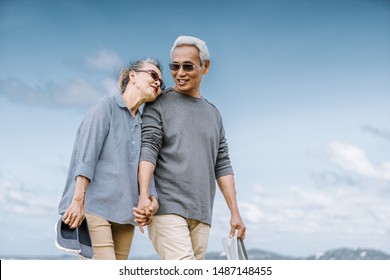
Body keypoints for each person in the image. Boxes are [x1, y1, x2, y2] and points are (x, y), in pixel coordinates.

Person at [135, 35, 246, 260]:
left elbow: (222, 164)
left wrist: (235, 212)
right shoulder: (158, 104)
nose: (180, 73)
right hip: (167, 209)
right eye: (174, 66)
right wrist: (144, 195)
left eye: (188, 66)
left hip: (202, 213)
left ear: (205, 67)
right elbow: (149, 149)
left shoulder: (213, 113)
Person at [57, 58, 165, 260]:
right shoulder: (105, 108)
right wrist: (77, 202)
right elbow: (86, 158)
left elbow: (146, 171)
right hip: (94, 208)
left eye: (161, 81)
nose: (158, 82)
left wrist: (152, 202)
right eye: (153, 75)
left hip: (125, 217)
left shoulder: (144, 125)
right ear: (132, 76)